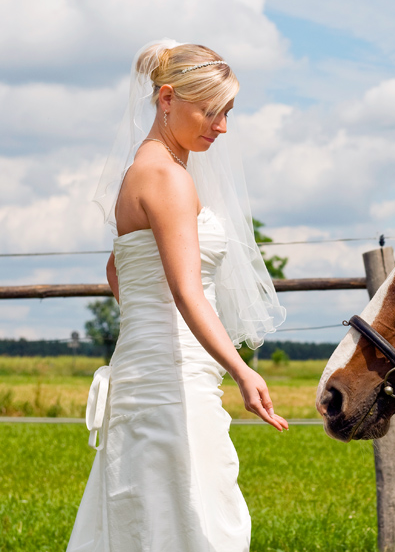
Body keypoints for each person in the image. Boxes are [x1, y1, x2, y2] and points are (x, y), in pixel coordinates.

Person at [67, 39, 287, 552]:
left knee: (153, 512)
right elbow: (188, 293)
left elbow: (116, 269)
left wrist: (146, 321)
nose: (222, 127)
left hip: (152, 365)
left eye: (227, 113)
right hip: (171, 376)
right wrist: (242, 369)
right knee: (189, 518)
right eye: (210, 111)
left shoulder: (141, 173)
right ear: (167, 97)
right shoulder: (167, 177)